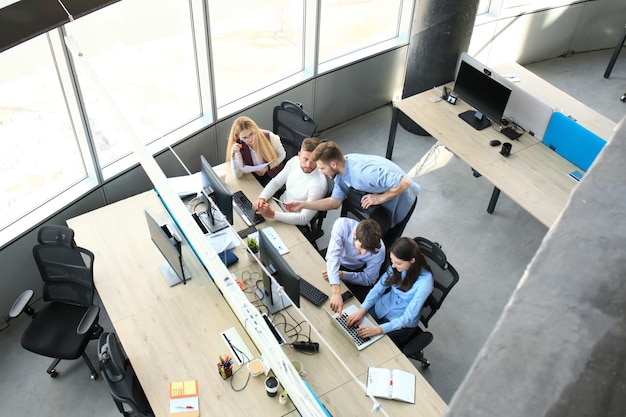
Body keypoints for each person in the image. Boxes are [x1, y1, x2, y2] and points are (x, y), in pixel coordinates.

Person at [283, 141, 420, 246]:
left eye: (322, 168)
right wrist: (303, 204)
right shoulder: (341, 172)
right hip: (382, 193)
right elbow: (334, 202)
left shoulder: (363, 174)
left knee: (388, 242)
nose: (321, 172)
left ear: (333, 164)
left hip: (403, 198)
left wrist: (380, 198)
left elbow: (405, 183)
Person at [346, 237, 433, 347]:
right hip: (381, 308)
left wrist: (378, 330)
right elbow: (378, 289)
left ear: (412, 260)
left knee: (370, 346)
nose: (393, 266)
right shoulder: (396, 267)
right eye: (392, 261)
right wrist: (362, 309)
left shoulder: (425, 283)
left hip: (400, 324)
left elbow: (407, 319)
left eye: (398, 263)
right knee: (352, 327)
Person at [252, 137, 327, 226]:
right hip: (278, 207)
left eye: (313, 160)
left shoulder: (319, 185)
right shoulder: (294, 161)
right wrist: (262, 198)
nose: (308, 165)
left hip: (294, 221)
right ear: (299, 155)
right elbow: (276, 182)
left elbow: (304, 219)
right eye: (305, 159)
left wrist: (272, 214)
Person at [324, 218, 385, 308]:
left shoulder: (379, 251)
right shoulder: (342, 225)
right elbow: (332, 257)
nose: (363, 253)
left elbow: (368, 279)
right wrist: (336, 292)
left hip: (355, 270)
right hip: (337, 260)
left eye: (368, 251)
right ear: (355, 234)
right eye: (362, 247)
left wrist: (343, 275)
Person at [225, 116, 287, 186]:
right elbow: (238, 175)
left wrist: (268, 167)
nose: (250, 139)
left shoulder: (269, 136)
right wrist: (232, 155)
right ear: (238, 137)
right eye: (244, 138)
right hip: (255, 176)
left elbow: (282, 154)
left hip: (273, 172)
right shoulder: (238, 145)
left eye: (251, 134)